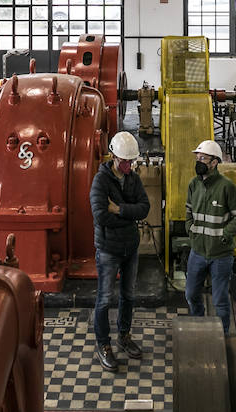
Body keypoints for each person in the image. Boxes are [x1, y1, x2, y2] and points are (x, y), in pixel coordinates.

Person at [89, 131, 150, 372]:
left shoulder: (133, 179)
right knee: (104, 300)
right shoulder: (100, 181)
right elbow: (101, 215)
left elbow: (145, 208)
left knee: (129, 295)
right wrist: (129, 215)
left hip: (130, 248)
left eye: (131, 161)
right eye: (125, 161)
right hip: (108, 250)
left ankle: (123, 336)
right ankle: (103, 345)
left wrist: (120, 210)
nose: (129, 165)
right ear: (113, 156)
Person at [184, 139, 236, 333]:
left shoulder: (226, 187)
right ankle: (199, 325)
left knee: (220, 300)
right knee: (191, 294)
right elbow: (188, 211)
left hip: (221, 255)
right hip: (198, 252)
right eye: (197, 157)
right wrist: (191, 229)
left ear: (214, 162)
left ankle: (223, 336)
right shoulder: (194, 184)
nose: (199, 161)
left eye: (203, 158)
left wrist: (225, 235)